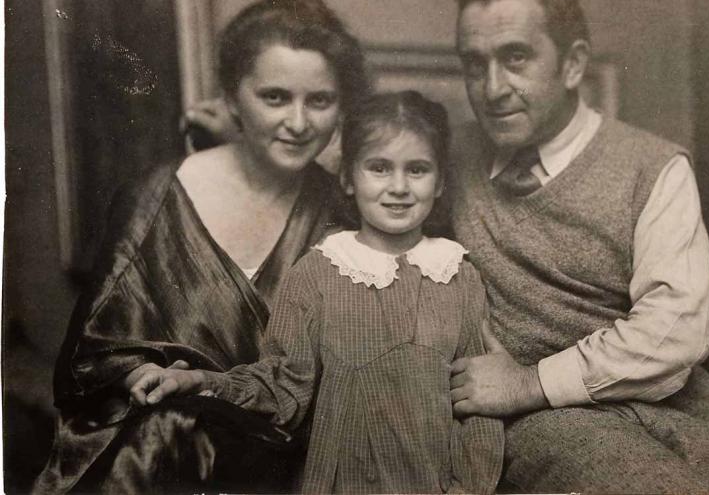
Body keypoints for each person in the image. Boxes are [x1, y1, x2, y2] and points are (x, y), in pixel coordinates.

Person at [33, 0, 368, 494]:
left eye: (319, 101)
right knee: (160, 434)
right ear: (233, 96)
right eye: (274, 97)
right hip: (169, 459)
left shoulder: (346, 212)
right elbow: (90, 356)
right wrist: (137, 375)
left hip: (298, 460)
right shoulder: (156, 196)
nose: (298, 123)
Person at [446, 0, 709, 493]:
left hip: (672, 415)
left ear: (573, 64)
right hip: (549, 430)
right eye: (474, 64)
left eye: (515, 57)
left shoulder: (652, 167)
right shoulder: (447, 156)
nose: (492, 88)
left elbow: (675, 331)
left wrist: (528, 383)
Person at [126, 91, 504, 494]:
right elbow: (283, 387)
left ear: (441, 180)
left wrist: (471, 488)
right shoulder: (317, 273)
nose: (399, 187)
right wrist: (201, 380)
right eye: (378, 168)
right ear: (347, 178)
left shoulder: (458, 276)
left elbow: (478, 404)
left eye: (417, 170)